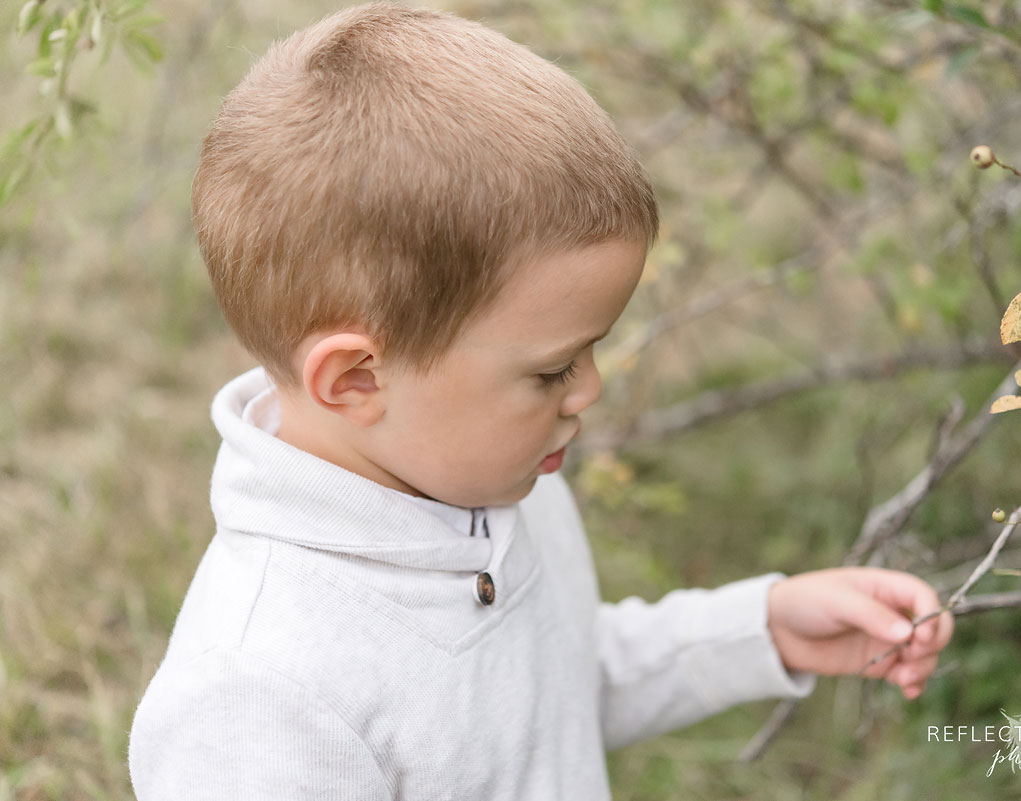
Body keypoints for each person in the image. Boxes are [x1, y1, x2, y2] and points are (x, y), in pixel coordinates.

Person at [127, 3, 954, 798]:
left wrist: (762, 627)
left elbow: (552, 684)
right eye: (554, 369)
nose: (589, 389)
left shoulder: (490, 478)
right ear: (357, 380)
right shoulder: (258, 701)